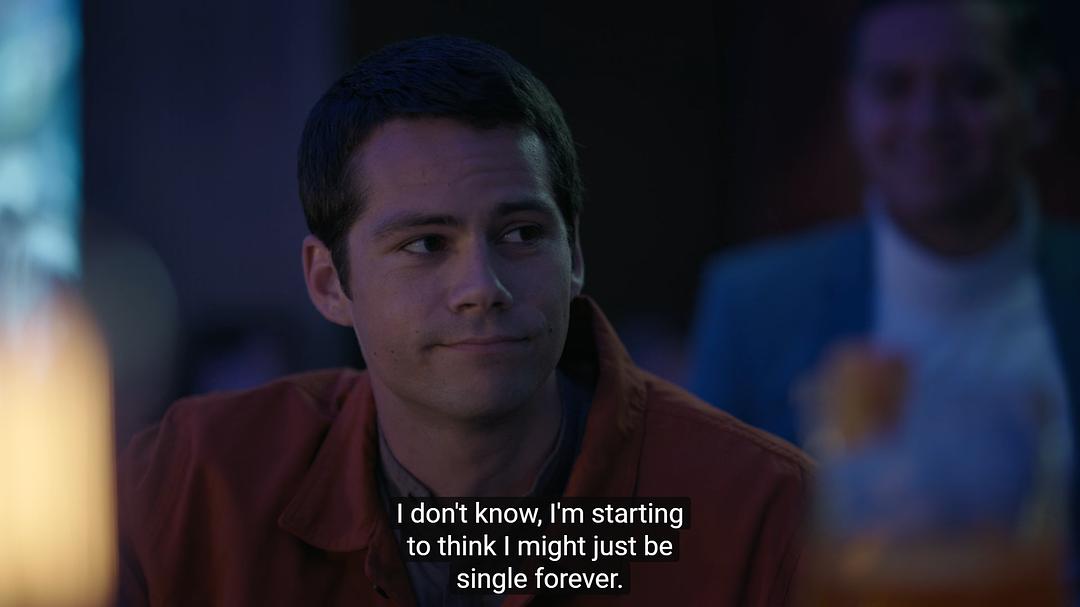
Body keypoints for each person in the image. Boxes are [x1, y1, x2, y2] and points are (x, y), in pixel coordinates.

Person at [118, 36, 811, 606]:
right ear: (329, 283)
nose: (483, 287)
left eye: (522, 234)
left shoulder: (766, 511)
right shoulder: (192, 483)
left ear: (574, 255)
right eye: (425, 244)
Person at [687, 0, 1080, 582]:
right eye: (894, 86)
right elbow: (711, 551)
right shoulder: (753, 304)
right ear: (853, 106)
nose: (928, 120)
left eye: (971, 85)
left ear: (1040, 105)